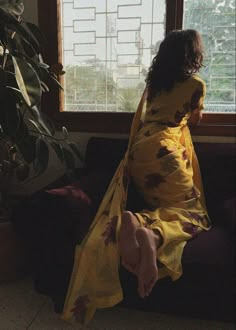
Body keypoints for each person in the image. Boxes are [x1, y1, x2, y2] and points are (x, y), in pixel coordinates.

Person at [62, 29, 211, 325]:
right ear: (193, 55)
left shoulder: (154, 83)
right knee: (194, 216)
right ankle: (152, 236)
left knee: (167, 209)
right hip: (166, 151)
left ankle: (140, 221)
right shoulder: (196, 84)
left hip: (140, 151)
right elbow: (195, 119)